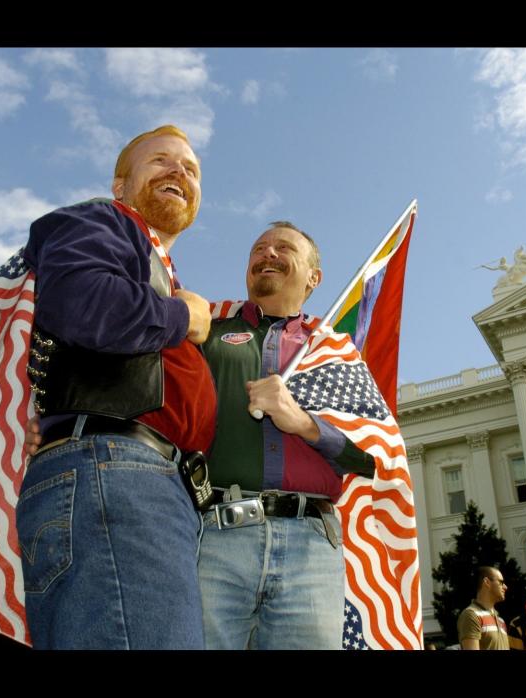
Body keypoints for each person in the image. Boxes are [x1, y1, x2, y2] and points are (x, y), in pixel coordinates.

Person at [17, 125, 217, 649]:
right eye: (161, 161)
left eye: (191, 169)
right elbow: (80, 301)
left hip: (136, 483)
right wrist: (183, 315)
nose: (180, 172)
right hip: (116, 471)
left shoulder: (154, 262)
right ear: (121, 185)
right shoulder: (104, 220)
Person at [197, 221, 396, 650]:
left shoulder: (336, 351)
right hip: (214, 537)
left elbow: (373, 455)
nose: (266, 253)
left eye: (283, 247)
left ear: (313, 276)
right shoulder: (206, 329)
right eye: (258, 248)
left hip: (311, 549)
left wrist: (303, 422)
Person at [456, 566, 510, 650]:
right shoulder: (471, 615)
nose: (505, 587)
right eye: (501, 582)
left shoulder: (501, 620)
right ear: (487, 582)